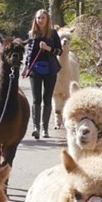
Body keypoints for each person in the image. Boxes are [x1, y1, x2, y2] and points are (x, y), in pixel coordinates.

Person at [23, 9, 62, 139]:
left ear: (47, 20)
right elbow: (29, 54)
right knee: (36, 99)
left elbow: (59, 52)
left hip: (50, 70)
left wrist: (48, 48)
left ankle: (45, 128)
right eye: (38, 18)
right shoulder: (32, 34)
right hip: (35, 70)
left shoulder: (53, 34)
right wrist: (26, 68)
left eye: (42, 18)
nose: (40, 20)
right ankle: (36, 127)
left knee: (47, 99)